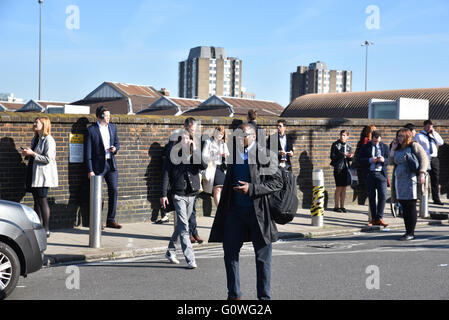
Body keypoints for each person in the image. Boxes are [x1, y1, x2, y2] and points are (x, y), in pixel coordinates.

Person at [208, 123, 283, 300]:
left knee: (262, 258)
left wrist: (252, 188)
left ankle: (264, 298)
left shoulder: (265, 155)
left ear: (254, 136)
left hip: (259, 213)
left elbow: (277, 182)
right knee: (230, 253)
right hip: (235, 212)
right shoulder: (234, 155)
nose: (240, 138)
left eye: (244, 135)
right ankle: (234, 295)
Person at [160, 118, 207, 268]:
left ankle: (170, 251)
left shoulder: (194, 153)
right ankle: (190, 259)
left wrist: (196, 151)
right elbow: (166, 173)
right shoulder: (173, 153)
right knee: (185, 228)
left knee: (181, 226)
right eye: (184, 138)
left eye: (189, 138)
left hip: (191, 194)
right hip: (178, 195)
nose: (187, 140)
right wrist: (163, 194)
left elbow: (204, 165)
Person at [85, 106, 122, 229]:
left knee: (114, 190)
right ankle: (97, 220)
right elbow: (87, 152)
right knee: (97, 194)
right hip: (97, 166)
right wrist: (90, 170)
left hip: (110, 164)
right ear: (100, 116)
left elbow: (117, 143)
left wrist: (115, 148)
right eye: (106, 115)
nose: (109, 117)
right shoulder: (91, 130)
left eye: (109, 115)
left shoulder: (113, 127)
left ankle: (111, 219)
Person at [389, 128, 428, 240]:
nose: (399, 138)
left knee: (410, 206)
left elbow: (424, 158)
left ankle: (410, 233)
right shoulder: (398, 148)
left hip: (411, 180)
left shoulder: (413, 146)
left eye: (401, 136)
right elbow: (391, 161)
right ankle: (407, 231)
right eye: (398, 135)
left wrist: (422, 173)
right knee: (404, 206)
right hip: (399, 180)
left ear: (407, 136)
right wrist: (393, 148)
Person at [22, 117, 58, 238]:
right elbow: (34, 155)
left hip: (43, 175)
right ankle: (38, 226)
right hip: (34, 173)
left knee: (42, 200)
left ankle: (47, 229)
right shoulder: (36, 138)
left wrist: (32, 154)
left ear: (44, 125)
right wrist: (28, 154)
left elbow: (48, 159)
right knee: (36, 201)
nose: (34, 124)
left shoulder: (49, 140)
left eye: (36, 122)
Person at [358, 131, 390, 227]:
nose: (376, 143)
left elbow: (389, 160)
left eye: (378, 141)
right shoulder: (365, 147)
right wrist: (370, 160)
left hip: (381, 174)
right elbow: (359, 159)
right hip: (370, 174)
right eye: (374, 141)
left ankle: (379, 218)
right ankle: (373, 219)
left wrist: (383, 160)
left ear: (380, 139)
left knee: (383, 196)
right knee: (371, 197)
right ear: (372, 138)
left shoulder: (384, 147)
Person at [415, 120, 445, 205]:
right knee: (424, 178)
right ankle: (423, 197)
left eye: (431, 126)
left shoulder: (434, 135)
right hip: (425, 158)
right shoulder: (419, 136)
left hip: (434, 158)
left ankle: (436, 198)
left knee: (435, 178)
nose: (429, 128)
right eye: (428, 126)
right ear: (424, 126)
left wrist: (434, 134)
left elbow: (441, 142)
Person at [202, 126, 230, 207]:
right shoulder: (208, 142)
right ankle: (219, 211)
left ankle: (222, 209)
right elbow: (204, 157)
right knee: (217, 190)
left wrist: (225, 156)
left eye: (222, 134)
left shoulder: (223, 143)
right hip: (213, 168)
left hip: (222, 168)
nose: (220, 135)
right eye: (218, 133)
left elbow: (228, 157)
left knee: (222, 190)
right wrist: (215, 154)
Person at [330, 130, 353, 212]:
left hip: (346, 168)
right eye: (341, 135)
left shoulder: (349, 145)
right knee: (339, 187)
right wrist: (342, 154)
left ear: (347, 136)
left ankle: (342, 206)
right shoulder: (335, 144)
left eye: (344, 135)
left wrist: (350, 156)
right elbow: (332, 156)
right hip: (338, 168)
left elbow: (350, 159)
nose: (342, 137)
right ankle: (336, 206)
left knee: (344, 188)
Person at [353, 125, 376, 204]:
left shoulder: (370, 140)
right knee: (368, 185)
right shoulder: (366, 140)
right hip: (366, 166)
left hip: (369, 166)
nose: (375, 132)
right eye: (373, 130)